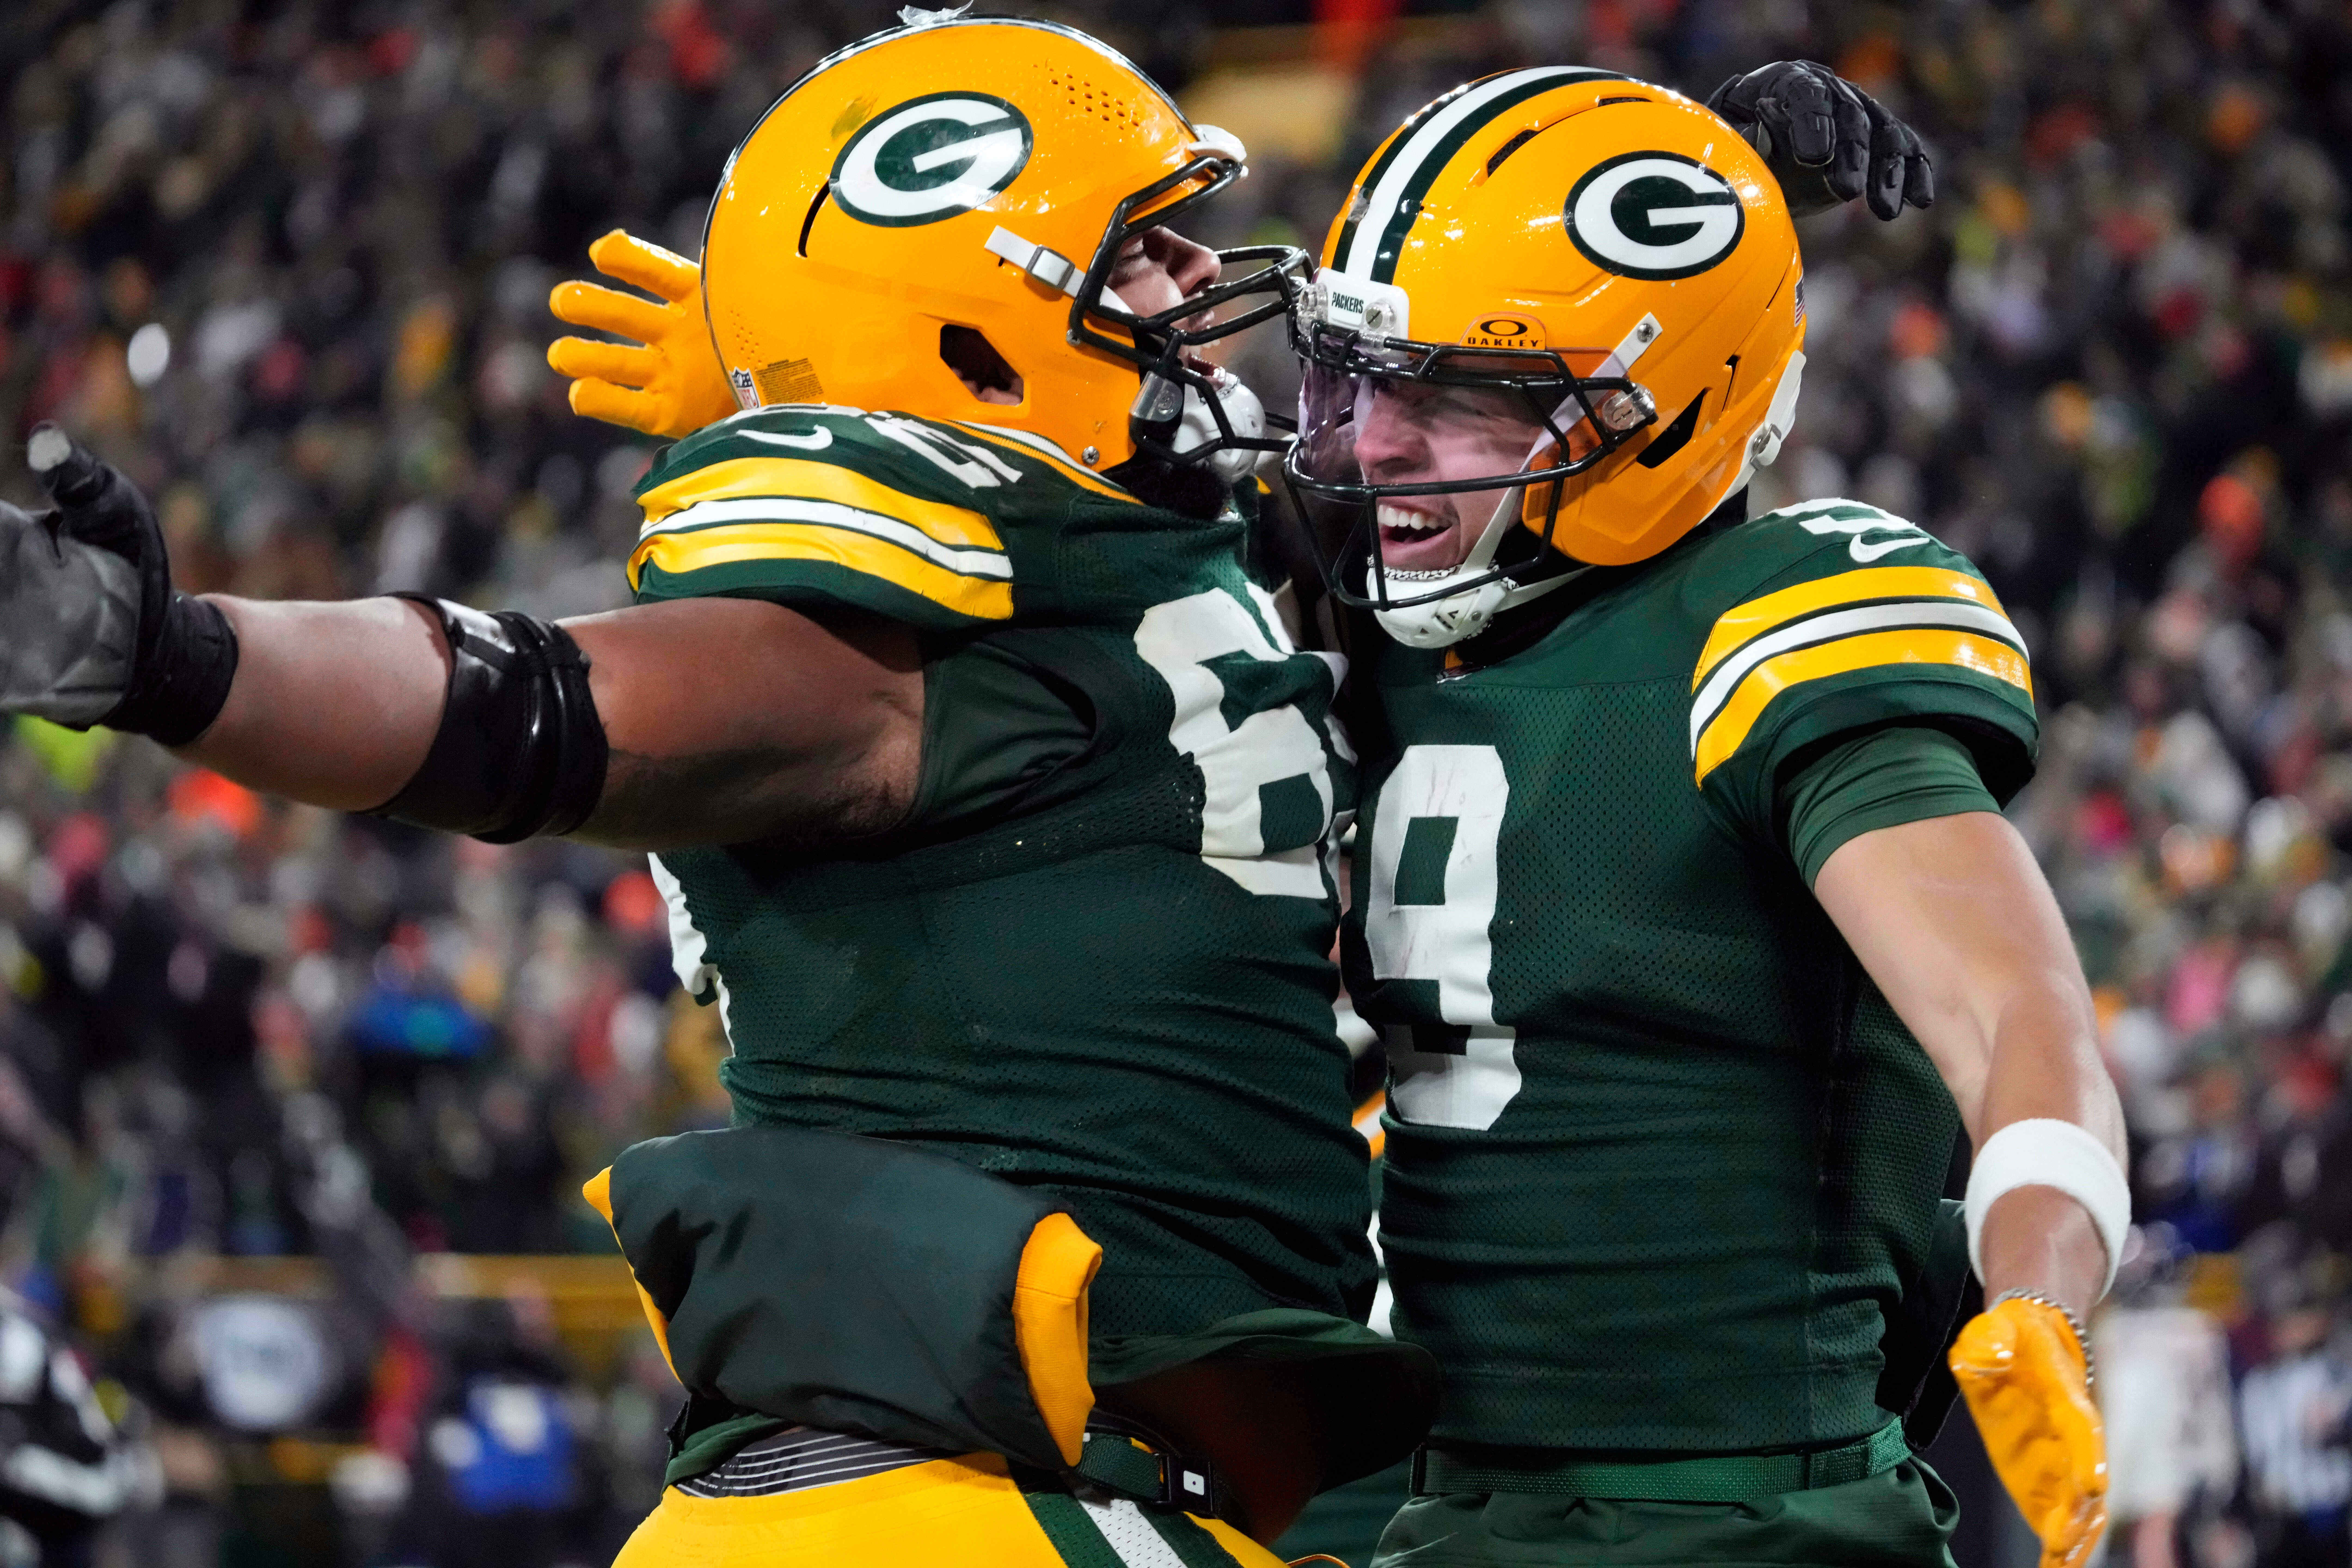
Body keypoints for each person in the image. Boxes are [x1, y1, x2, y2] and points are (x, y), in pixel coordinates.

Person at [0, 16, 1431, 1565]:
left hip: (1118, 1466)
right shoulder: (886, 641)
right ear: (973, 335)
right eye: (1140, 259)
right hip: (960, 1504)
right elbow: (537, 705)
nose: (1197, 291)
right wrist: (184, 660)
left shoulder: (1137, 555)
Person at [1282, 67, 2126, 1568]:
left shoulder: (1772, 628)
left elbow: (2015, 1018)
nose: (1375, 445)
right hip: (1425, 1498)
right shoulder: (1382, 621)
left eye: (1456, 394)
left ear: (1655, 423)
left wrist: (2041, 1287)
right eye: (1360, 375)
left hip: (1729, 1522)